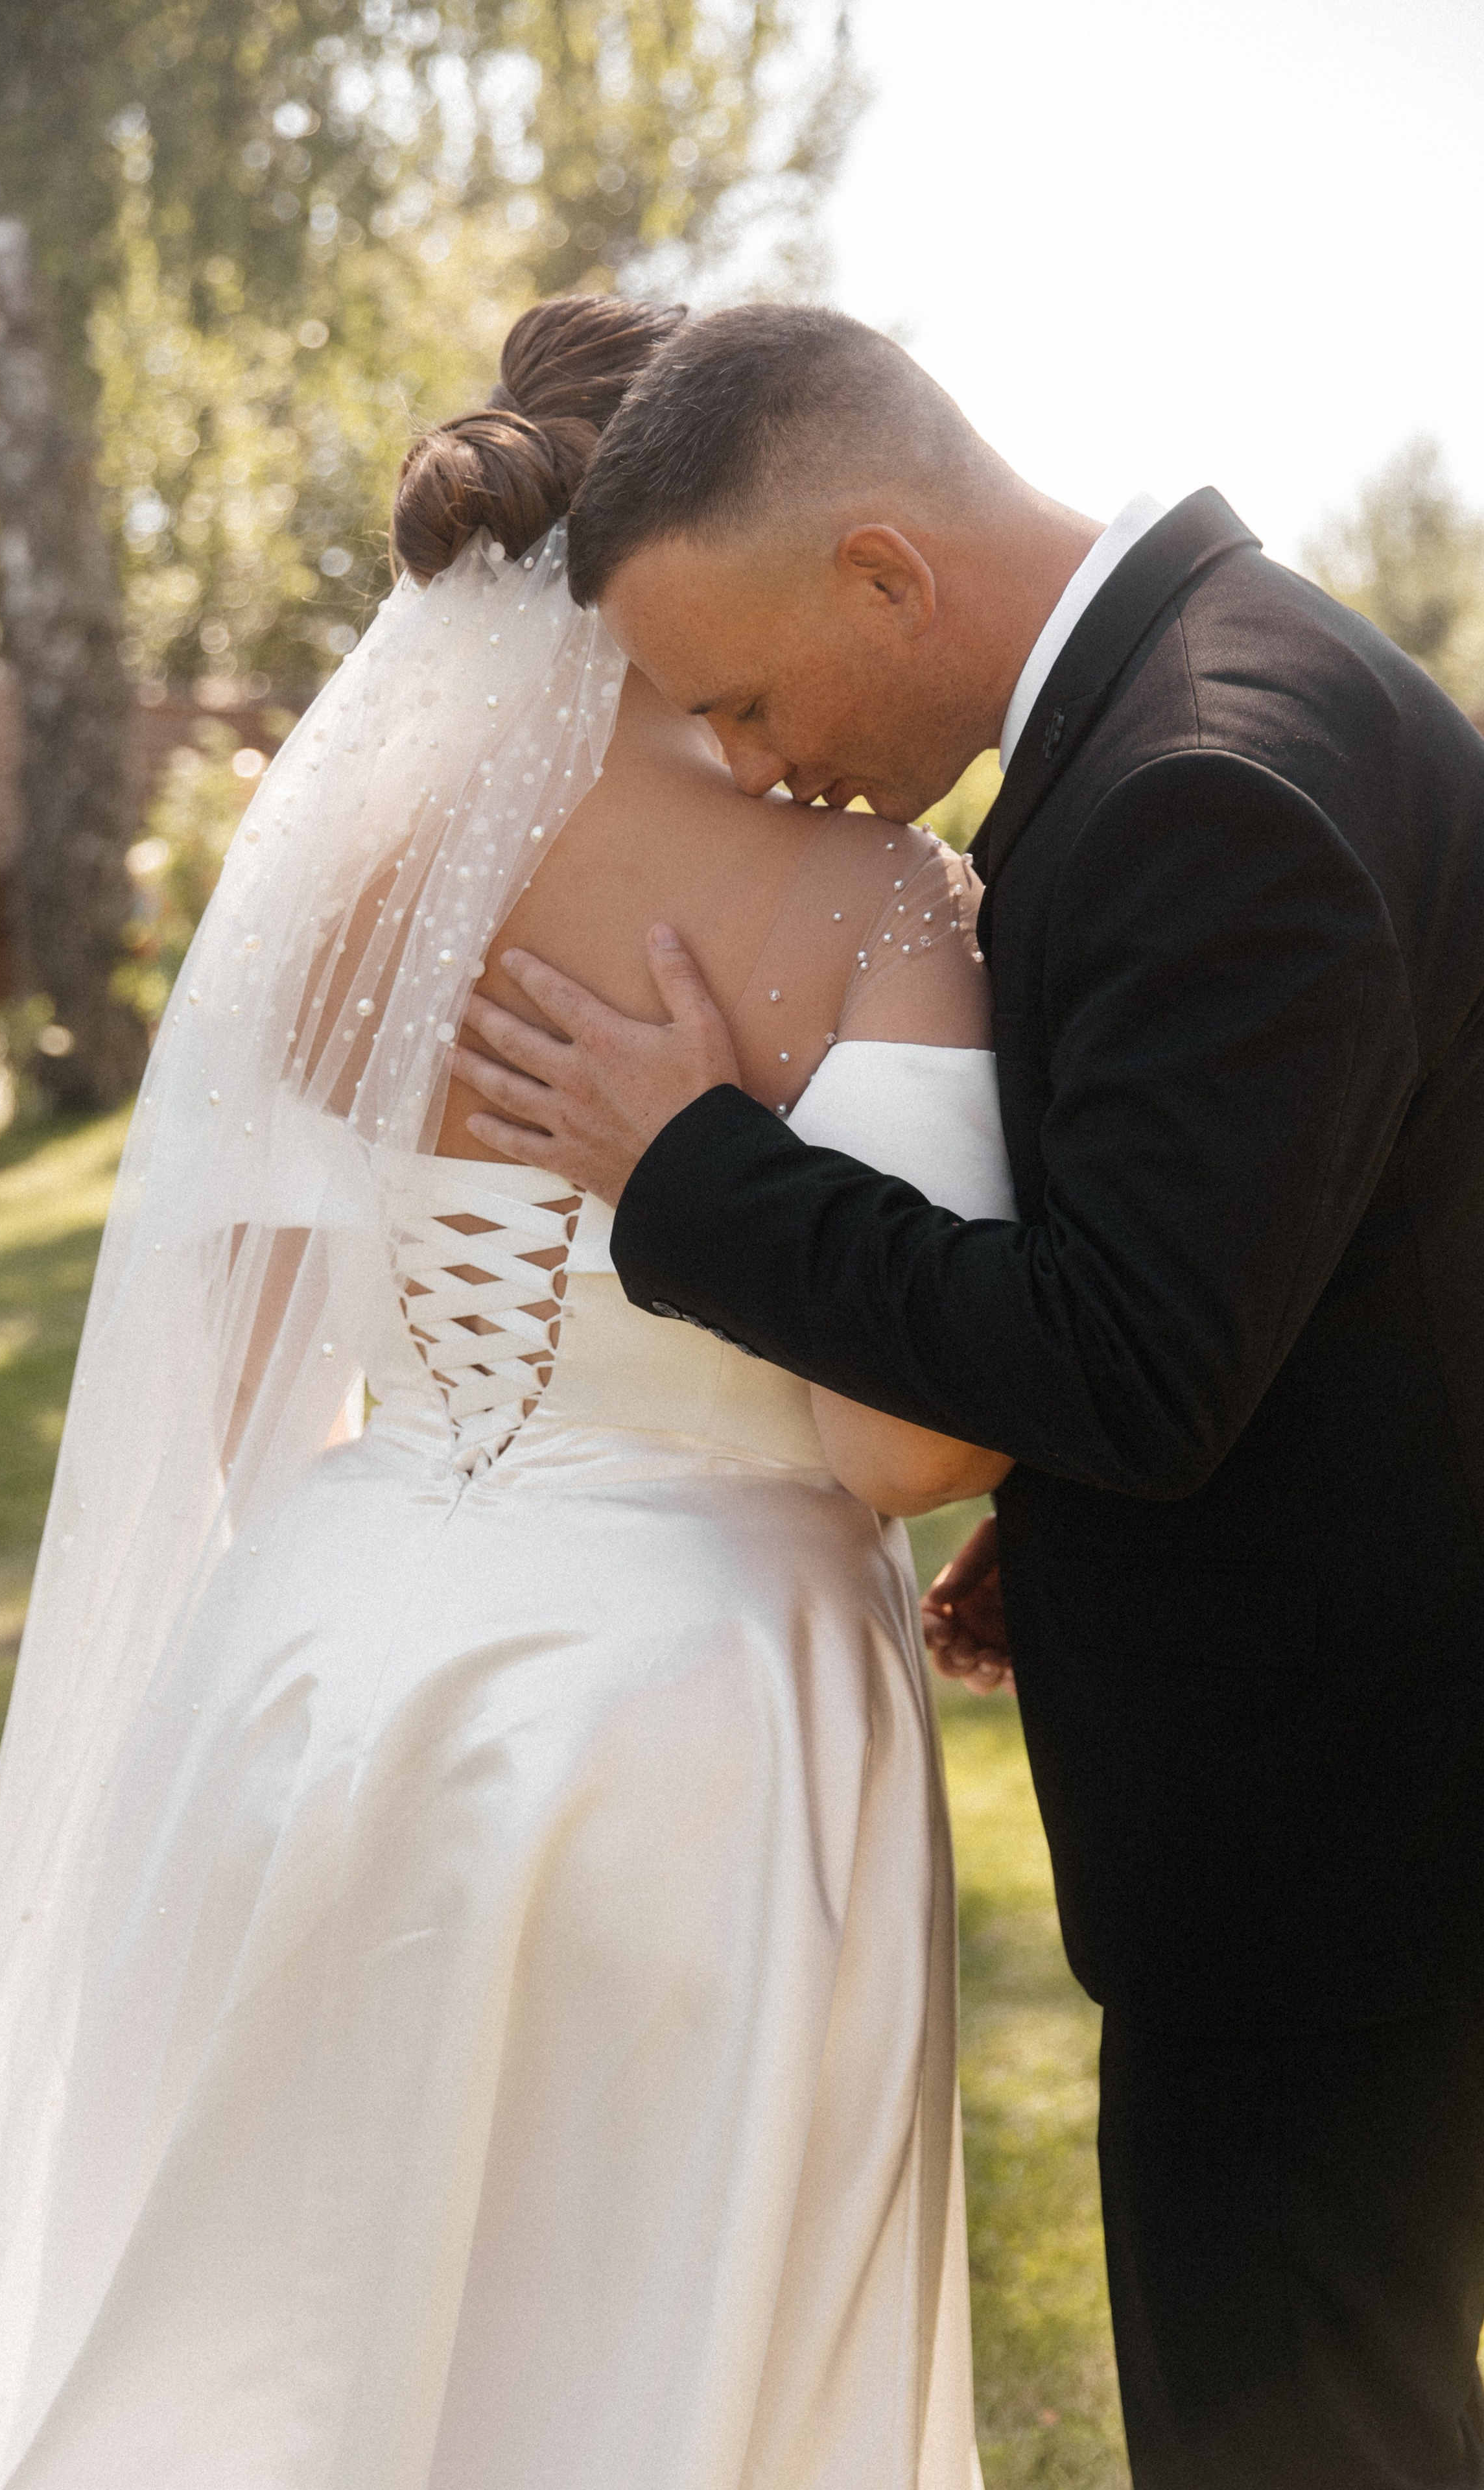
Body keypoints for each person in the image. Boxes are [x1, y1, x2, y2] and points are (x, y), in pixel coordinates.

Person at [0, 296, 1009, 2489]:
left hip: (309, 1663)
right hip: (698, 1711)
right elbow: (902, 1442)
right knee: (622, 2349)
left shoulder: (344, 886)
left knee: (273, 2335)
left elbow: (247, 1356)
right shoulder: (876, 901)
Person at [451, 303, 1484, 2489]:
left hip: (1332, 1862)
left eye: (743, 694)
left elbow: (1134, 1357)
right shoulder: (1231, 690)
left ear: (887, 576)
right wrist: (1074, 1514)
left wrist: (697, 1170)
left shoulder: (1204, 781)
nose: (743, 762)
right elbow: (1283, 1260)